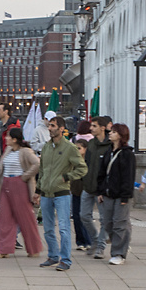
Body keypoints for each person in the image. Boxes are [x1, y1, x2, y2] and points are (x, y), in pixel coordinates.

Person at [35, 114, 87, 271]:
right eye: (49, 125)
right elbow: (42, 170)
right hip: (46, 193)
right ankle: (52, 256)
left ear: (61, 129)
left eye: (53, 126)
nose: (49, 128)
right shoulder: (46, 147)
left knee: (64, 228)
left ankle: (65, 259)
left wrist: (67, 177)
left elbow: (82, 168)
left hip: (62, 193)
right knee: (48, 228)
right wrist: (38, 190)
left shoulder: (70, 148)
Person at [0, 127, 42, 259]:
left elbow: (37, 163)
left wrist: (25, 176)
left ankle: (34, 249)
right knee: (5, 217)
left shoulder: (25, 151)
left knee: (26, 217)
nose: (6, 139)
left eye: (9, 137)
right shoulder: (8, 150)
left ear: (15, 139)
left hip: (20, 184)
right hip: (6, 184)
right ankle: (3, 249)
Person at [96, 123, 137, 264]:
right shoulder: (108, 151)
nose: (110, 134)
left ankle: (119, 253)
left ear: (120, 135)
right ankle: (123, 244)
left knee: (119, 223)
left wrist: (125, 195)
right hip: (107, 193)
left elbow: (128, 177)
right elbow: (102, 173)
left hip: (121, 195)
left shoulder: (127, 154)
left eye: (113, 132)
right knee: (107, 223)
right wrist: (100, 190)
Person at [76, 117, 112, 254]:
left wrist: (105, 187)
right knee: (83, 216)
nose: (91, 128)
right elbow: (86, 163)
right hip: (88, 186)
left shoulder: (109, 145)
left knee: (104, 219)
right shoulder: (91, 144)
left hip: (102, 189)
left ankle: (101, 247)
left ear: (102, 128)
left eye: (94, 126)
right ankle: (96, 239)